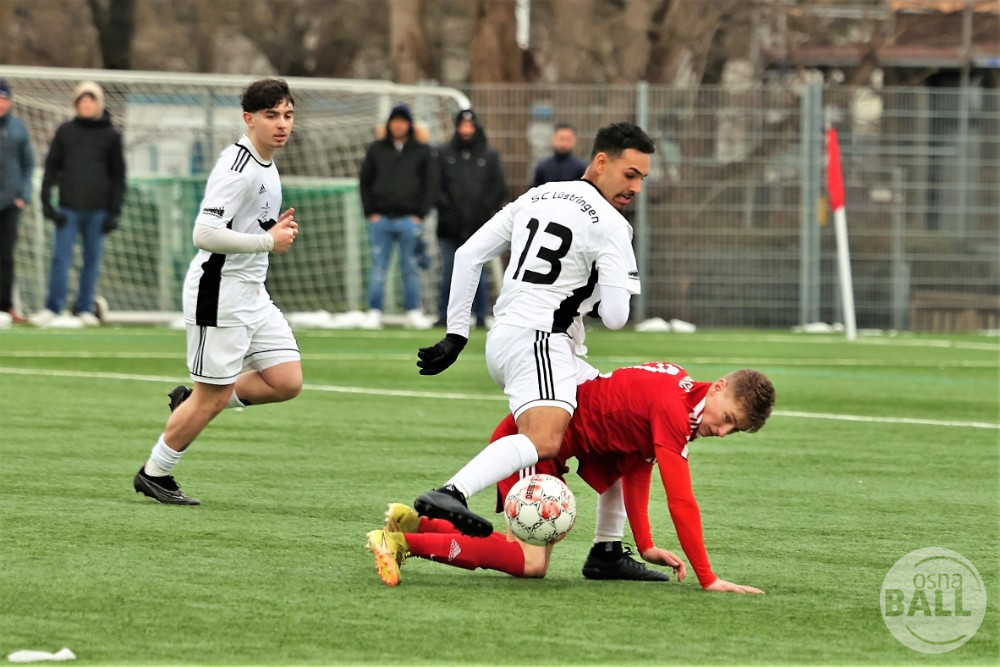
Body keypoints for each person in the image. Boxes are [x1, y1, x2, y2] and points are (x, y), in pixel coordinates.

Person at [414, 122, 654, 541]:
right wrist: (591, 293)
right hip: (541, 340)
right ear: (601, 162)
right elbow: (617, 316)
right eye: (630, 174)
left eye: (642, 179)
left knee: (617, 424)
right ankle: (452, 491)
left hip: (509, 337)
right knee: (544, 440)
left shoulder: (537, 195)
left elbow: (468, 254)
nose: (635, 187)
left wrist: (457, 334)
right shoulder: (612, 225)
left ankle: (608, 550)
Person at [367, 362, 776, 593]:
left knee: (530, 558)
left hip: (548, 446)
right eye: (727, 419)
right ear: (719, 387)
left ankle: (419, 523)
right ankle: (402, 543)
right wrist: (708, 578)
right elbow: (681, 500)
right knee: (529, 564)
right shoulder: (673, 408)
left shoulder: (683, 399)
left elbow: (635, 468)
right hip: (533, 442)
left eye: (733, 430)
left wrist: (647, 545)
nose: (722, 432)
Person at [132, 79, 301, 505]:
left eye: (288, 115)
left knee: (286, 380)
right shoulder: (237, 166)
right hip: (219, 292)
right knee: (214, 396)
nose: (281, 124)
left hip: (252, 292)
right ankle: (155, 473)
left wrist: (270, 230)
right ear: (249, 119)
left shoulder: (267, 161)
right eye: (271, 116)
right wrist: (268, 241)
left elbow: (246, 225)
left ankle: (193, 401)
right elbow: (204, 233)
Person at [32, 81, 125, 327]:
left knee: (91, 261)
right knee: (60, 258)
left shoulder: (111, 135)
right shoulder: (65, 131)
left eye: (91, 101)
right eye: (82, 102)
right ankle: (54, 307)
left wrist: (114, 212)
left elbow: (119, 176)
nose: (86, 105)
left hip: (98, 211)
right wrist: (46, 202)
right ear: (76, 104)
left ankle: (84, 307)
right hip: (68, 208)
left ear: (98, 104)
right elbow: (51, 168)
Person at [358, 103, 437, 330]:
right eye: (395, 120)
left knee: (410, 267)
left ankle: (412, 310)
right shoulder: (376, 149)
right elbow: (365, 181)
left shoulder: (422, 151)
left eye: (403, 121)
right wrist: (370, 211)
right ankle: (374, 311)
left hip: (409, 220)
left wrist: (420, 214)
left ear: (409, 124)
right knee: (378, 266)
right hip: (380, 219)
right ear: (389, 124)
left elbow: (430, 184)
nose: (399, 125)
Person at [434, 108, 506, 329]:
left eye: (470, 126)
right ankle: (445, 316)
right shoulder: (444, 154)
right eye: (462, 126)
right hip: (449, 228)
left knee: (480, 275)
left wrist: (482, 213)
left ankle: (481, 316)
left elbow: (498, 189)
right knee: (449, 273)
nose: (466, 130)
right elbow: (436, 188)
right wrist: (450, 214)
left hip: (478, 228)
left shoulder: (489, 156)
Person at [0, 78, 34, 324]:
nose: (1, 104)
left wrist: (23, 195)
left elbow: (29, 164)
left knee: (6, 256)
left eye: (4, 99)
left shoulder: (18, 128)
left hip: (10, 203)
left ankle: (5, 307)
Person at [531, 123, 587, 187]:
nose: (564, 143)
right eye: (561, 139)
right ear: (553, 139)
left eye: (568, 140)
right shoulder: (542, 167)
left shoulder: (581, 167)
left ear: (575, 140)